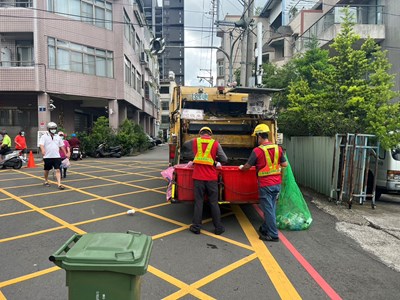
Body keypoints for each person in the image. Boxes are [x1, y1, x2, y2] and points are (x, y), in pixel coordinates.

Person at [239, 124, 288, 242]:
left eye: (257, 137)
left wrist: (241, 167)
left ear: (259, 136)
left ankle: (273, 234)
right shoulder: (278, 148)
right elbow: (284, 165)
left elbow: (247, 166)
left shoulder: (257, 150)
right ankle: (265, 228)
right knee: (271, 207)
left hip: (266, 185)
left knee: (268, 210)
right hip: (276, 184)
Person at [183, 126, 228, 235]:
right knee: (213, 203)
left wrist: (194, 157)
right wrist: (215, 162)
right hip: (211, 178)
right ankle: (218, 228)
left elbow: (184, 146)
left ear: (200, 134)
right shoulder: (215, 144)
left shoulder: (194, 141)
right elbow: (224, 159)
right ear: (210, 134)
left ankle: (196, 227)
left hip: (198, 178)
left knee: (199, 202)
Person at [39, 122, 67, 190]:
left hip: (56, 156)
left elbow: (62, 146)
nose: (53, 129)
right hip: (47, 156)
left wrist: (65, 153)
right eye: (52, 128)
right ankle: (46, 180)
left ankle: (59, 184)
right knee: (47, 170)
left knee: (58, 169)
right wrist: (43, 150)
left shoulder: (58, 137)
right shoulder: (44, 136)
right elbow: (41, 144)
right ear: (48, 129)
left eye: (54, 128)